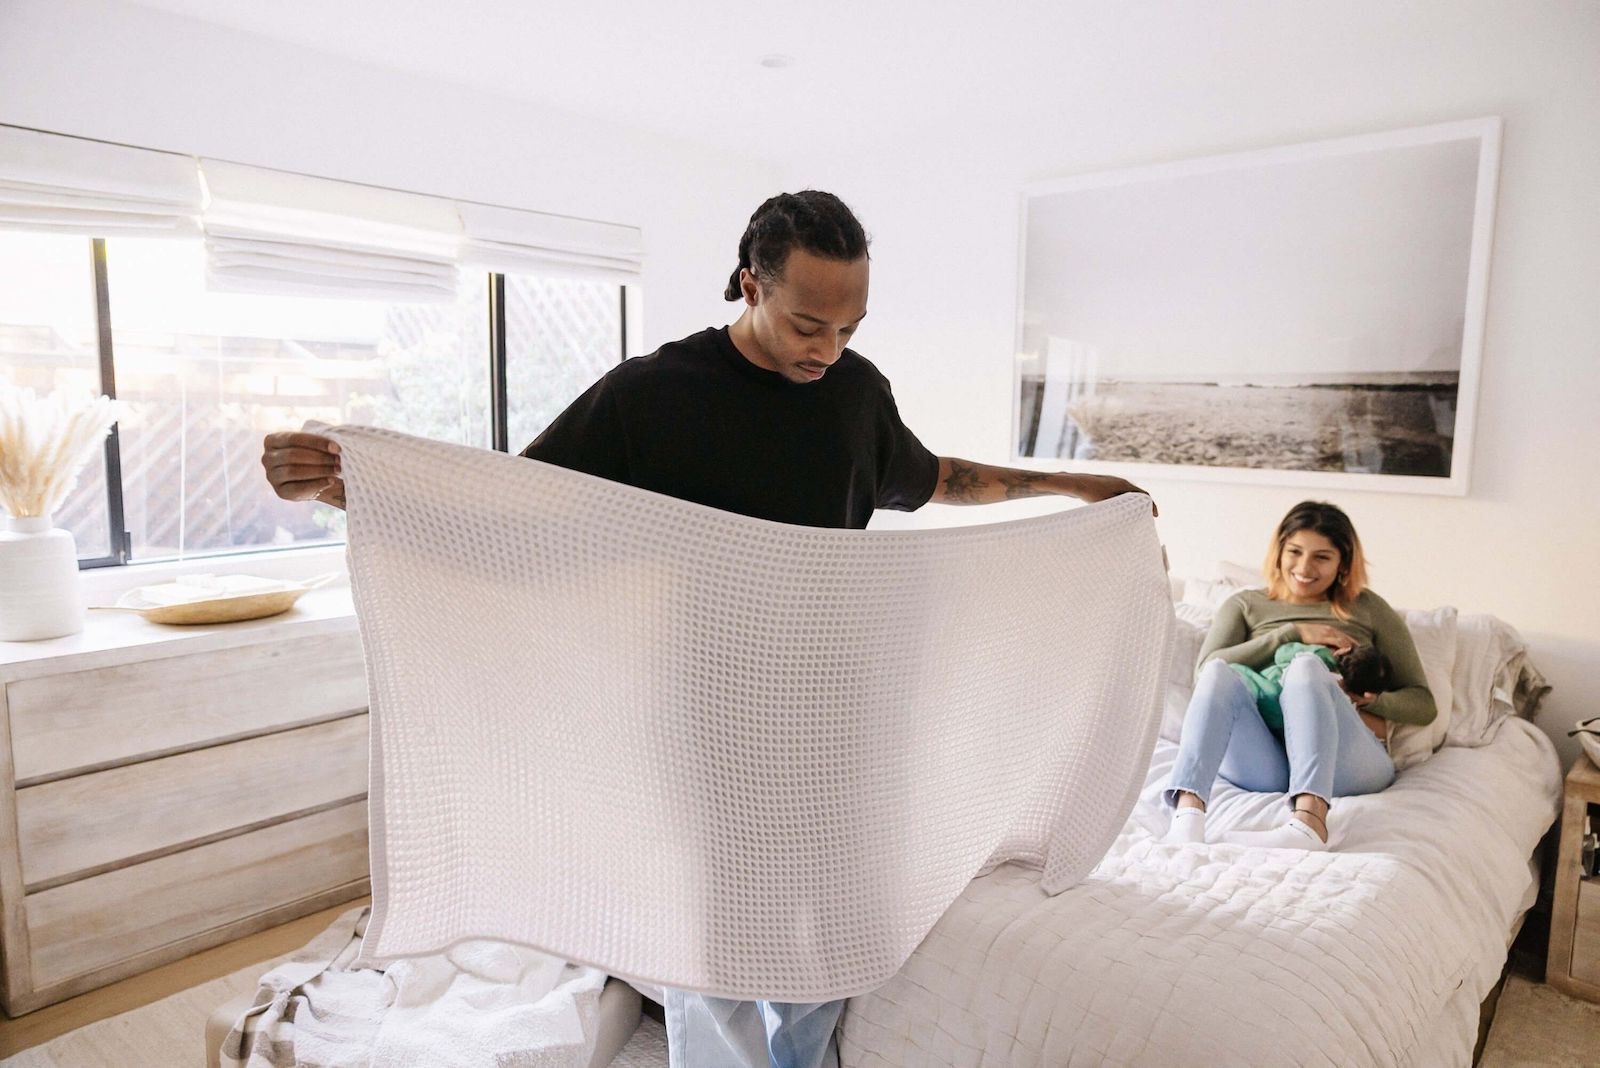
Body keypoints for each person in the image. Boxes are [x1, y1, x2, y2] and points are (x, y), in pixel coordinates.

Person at [262, 190, 1155, 1068]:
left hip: (840, 701)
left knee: (833, 915)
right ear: (750, 284)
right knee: (715, 934)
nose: (829, 349)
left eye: (850, 327)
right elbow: (512, 511)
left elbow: (931, 478)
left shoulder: (855, 391)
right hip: (704, 710)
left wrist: (1077, 489)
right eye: (810, 324)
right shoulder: (650, 396)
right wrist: (357, 487)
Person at [1162, 500, 1434, 852]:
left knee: (1305, 666)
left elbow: (1424, 704)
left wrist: (1368, 700)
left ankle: (1309, 824)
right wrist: (1292, 633)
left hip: (1346, 765)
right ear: (1279, 552)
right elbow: (1204, 676)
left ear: (1343, 563)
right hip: (1266, 763)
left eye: (1322, 557)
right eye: (1295, 552)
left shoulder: (1368, 608)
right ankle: (1187, 818)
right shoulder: (1245, 605)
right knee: (1216, 670)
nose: (1305, 567)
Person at [1226, 640, 1392, 733]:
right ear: (1369, 695)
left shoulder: (1320, 657)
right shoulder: (1345, 709)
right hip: (1277, 720)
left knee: (1237, 674)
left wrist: (1326, 653)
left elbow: (1281, 653)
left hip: (1268, 692)